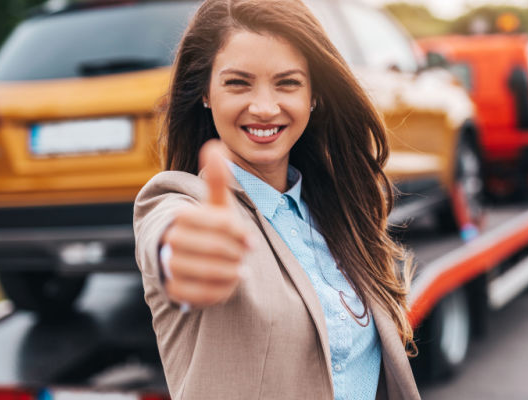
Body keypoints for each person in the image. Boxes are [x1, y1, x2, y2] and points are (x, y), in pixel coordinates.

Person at [133, 0, 421, 398]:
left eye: (287, 83)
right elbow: (167, 239)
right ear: (205, 93)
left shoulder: (336, 212)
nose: (265, 107)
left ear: (313, 96)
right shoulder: (181, 202)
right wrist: (184, 257)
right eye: (238, 83)